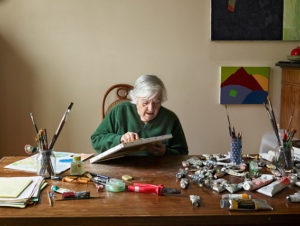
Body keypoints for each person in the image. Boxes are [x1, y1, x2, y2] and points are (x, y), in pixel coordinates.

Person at [91, 74, 188, 156]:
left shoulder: (170, 119)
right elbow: (96, 140)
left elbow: (183, 153)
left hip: (156, 170)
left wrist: (165, 152)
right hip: (120, 167)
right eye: (145, 103)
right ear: (135, 99)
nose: (151, 108)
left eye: (156, 102)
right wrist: (120, 139)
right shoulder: (121, 110)